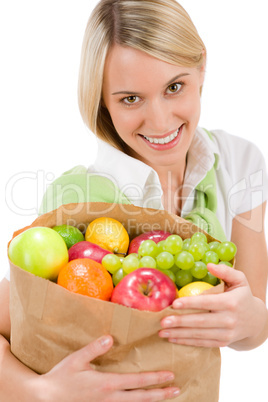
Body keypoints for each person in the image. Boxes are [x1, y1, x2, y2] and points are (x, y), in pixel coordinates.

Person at [1, 0, 268, 400]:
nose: (160, 122)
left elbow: (249, 327)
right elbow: (13, 318)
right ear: (103, 102)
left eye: (174, 87)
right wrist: (39, 392)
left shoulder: (240, 163)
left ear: (202, 67)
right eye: (130, 99)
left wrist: (253, 321)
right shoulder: (78, 202)